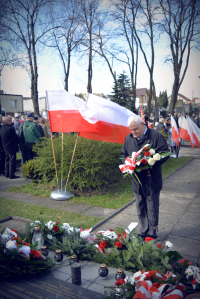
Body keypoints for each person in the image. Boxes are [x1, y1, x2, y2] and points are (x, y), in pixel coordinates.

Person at [120, 115, 169, 239]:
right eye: (131, 130)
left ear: (143, 125)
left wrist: (150, 163)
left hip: (152, 179)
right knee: (140, 206)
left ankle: (152, 232)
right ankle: (143, 230)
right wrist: (127, 165)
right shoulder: (128, 138)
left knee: (152, 206)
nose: (133, 132)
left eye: (135, 129)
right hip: (137, 181)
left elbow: (165, 153)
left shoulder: (155, 136)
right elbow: (123, 154)